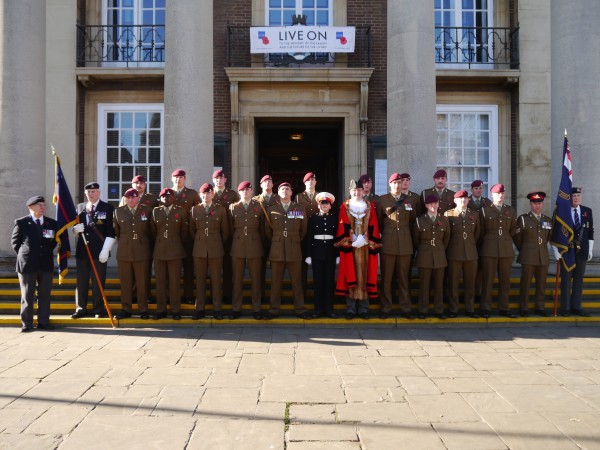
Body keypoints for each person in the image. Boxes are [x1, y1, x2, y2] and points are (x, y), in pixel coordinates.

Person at [334, 179, 381, 319]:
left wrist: (365, 239)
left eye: (359, 190)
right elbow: (342, 224)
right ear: (350, 191)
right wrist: (352, 239)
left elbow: (374, 225)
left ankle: (363, 308)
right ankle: (350, 308)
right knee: (350, 273)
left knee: (366, 275)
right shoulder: (344, 207)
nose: (357, 193)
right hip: (351, 248)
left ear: (363, 191)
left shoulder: (370, 206)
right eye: (354, 190)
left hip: (366, 248)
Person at [263, 182, 310, 320]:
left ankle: (300, 309)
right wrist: (278, 239)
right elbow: (267, 231)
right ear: (278, 193)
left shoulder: (299, 208)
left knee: (297, 281)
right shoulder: (272, 209)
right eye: (282, 189)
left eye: (287, 189)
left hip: (294, 248)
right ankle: (273, 310)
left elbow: (303, 230)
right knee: (276, 282)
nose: (285, 191)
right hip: (277, 249)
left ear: (291, 193)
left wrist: (294, 239)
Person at [11, 196, 58, 332]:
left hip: (45, 263)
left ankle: (43, 322)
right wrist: (27, 255)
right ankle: (27, 323)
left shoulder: (51, 223)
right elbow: (16, 243)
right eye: (39, 205)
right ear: (30, 207)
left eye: (44, 205)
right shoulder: (21, 223)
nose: (43, 208)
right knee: (27, 295)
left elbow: (53, 242)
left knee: (44, 295)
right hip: (27, 264)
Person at [376, 173, 419, 319]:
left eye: (399, 183)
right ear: (390, 184)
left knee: (403, 278)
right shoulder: (382, 200)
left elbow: (413, 220)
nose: (397, 185)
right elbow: (380, 223)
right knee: (387, 278)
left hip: (405, 243)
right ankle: (386, 307)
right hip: (388, 243)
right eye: (394, 183)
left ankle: (405, 307)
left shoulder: (409, 200)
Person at [71, 182, 116, 319]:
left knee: (98, 281)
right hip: (83, 250)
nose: (91, 194)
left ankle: (98, 309)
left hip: (99, 251)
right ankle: (81, 308)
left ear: (99, 192)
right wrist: (75, 230)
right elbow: (75, 227)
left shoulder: (107, 208)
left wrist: (106, 249)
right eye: (88, 192)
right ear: (85, 194)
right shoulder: (80, 207)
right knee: (81, 281)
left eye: (94, 192)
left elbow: (110, 231)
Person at [189, 182, 231, 320]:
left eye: (208, 193)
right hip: (199, 249)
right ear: (200, 195)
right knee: (200, 280)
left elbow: (225, 231)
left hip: (216, 248)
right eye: (203, 193)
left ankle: (217, 308)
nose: (206, 195)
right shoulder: (195, 209)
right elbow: (191, 231)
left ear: (213, 194)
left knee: (216, 280)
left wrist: (217, 242)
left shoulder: (220, 209)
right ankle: (200, 309)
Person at [113, 188, 153, 320]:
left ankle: (143, 309)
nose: (131, 200)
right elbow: (117, 232)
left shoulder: (147, 210)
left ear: (138, 198)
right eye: (128, 197)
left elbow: (151, 230)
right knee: (125, 282)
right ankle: (126, 308)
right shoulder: (118, 212)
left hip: (142, 249)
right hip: (125, 250)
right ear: (125, 198)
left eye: (133, 197)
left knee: (142, 281)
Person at [554, 187, 594, 317]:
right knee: (566, 279)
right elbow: (556, 232)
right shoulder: (563, 212)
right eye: (574, 196)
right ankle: (565, 308)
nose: (576, 198)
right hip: (567, 251)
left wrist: (591, 249)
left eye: (578, 195)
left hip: (582, 251)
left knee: (578, 279)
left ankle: (577, 306)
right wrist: (556, 249)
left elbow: (590, 232)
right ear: (569, 197)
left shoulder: (587, 211)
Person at [479, 183, 517, 318]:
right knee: (488, 279)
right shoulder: (484, 210)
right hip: (489, 249)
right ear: (492, 195)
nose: (500, 196)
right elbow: (480, 230)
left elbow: (513, 229)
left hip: (506, 249)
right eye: (497, 194)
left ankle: (504, 307)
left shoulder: (510, 210)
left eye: (502, 194)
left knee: (505, 280)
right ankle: (485, 307)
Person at [119, 174, 158, 305]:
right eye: (136, 183)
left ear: (145, 185)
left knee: (144, 271)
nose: (139, 185)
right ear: (132, 184)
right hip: (129, 242)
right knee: (130, 273)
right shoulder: (125, 199)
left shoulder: (151, 199)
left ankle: (144, 295)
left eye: (141, 183)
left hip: (146, 240)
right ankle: (133, 295)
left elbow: (154, 219)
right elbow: (119, 223)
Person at [229, 181, 265, 320]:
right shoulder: (233, 207)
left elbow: (263, 228)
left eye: (248, 190)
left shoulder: (258, 206)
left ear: (252, 191)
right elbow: (229, 228)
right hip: (237, 245)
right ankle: (236, 308)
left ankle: (257, 308)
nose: (245, 192)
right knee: (237, 279)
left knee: (256, 279)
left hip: (254, 244)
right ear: (239, 192)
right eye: (242, 190)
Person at [151, 188, 188, 320]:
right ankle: (161, 309)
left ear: (174, 198)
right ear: (160, 199)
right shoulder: (156, 211)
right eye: (163, 197)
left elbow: (184, 231)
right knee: (160, 282)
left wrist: (175, 241)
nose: (166, 199)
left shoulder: (180, 211)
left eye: (169, 197)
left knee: (174, 282)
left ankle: (175, 310)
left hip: (175, 251)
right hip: (159, 251)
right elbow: (153, 232)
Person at [514, 191, 552, 317]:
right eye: (535, 203)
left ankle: (540, 307)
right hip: (528, 256)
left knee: (541, 284)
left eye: (540, 203)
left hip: (543, 256)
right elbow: (518, 238)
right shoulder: (523, 219)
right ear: (530, 204)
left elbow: (548, 237)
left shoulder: (547, 220)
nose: (537, 205)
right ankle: (524, 307)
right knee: (526, 283)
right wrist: (525, 249)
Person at [413, 195, 450, 319]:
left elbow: (447, 238)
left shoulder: (444, 220)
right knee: (424, 284)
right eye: (430, 204)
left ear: (438, 204)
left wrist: (439, 248)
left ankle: (439, 310)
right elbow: (416, 240)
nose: (433, 206)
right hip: (424, 254)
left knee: (439, 284)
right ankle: (423, 309)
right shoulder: (420, 220)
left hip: (439, 254)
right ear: (426, 206)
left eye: (435, 204)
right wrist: (424, 249)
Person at [444, 190, 481, 318]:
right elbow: (446, 235)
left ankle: (469, 308)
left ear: (468, 200)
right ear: (455, 200)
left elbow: (477, 233)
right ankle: (454, 308)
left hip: (471, 253)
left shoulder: (474, 214)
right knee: (453, 282)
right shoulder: (448, 214)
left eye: (465, 198)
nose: (463, 201)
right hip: (454, 253)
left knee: (470, 283)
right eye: (460, 199)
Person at [305, 192, 338, 318]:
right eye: (322, 204)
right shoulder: (313, 219)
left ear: (330, 206)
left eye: (327, 204)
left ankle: (329, 309)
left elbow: (337, 237)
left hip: (330, 253)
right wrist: (308, 255)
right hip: (317, 253)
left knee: (329, 282)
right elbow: (309, 238)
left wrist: (338, 254)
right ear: (318, 205)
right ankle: (317, 309)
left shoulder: (334, 218)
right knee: (318, 282)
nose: (324, 206)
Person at [171, 169, 200, 304]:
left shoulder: (192, 194)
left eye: (181, 177)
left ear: (185, 179)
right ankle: (172, 295)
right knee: (172, 268)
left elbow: (198, 212)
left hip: (188, 235)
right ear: (172, 179)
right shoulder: (167, 193)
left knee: (188, 267)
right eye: (176, 178)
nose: (178, 180)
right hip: (172, 236)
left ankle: (188, 294)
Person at [212, 169, 240, 305]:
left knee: (228, 267)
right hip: (213, 236)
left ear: (225, 180)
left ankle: (227, 294)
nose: (219, 180)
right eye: (216, 178)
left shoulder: (233, 195)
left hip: (229, 234)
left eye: (221, 178)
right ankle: (214, 294)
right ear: (213, 180)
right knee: (213, 269)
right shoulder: (208, 194)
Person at [254, 174, 279, 301]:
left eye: (270, 181)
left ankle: (274, 297)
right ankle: (261, 295)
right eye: (265, 181)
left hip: (276, 239)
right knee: (259, 270)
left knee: (277, 270)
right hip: (259, 239)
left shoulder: (280, 198)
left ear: (273, 184)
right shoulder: (255, 200)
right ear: (261, 185)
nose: (267, 183)